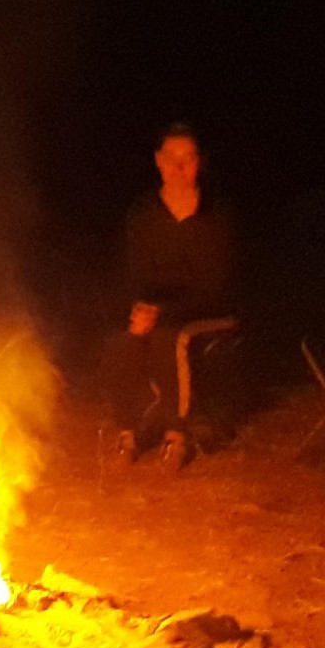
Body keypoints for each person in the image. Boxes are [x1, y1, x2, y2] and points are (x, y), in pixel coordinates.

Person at [100, 125, 239, 470]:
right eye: (171, 159)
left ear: (198, 164)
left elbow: (217, 285)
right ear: (159, 163)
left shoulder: (216, 214)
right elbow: (133, 273)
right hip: (159, 311)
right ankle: (130, 433)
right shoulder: (143, 214)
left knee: (170, 339)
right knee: (122, 342)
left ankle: (176, 437)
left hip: (209, 312)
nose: (179, 168)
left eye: (187, 159)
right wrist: (139, 311)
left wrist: (164, 312)